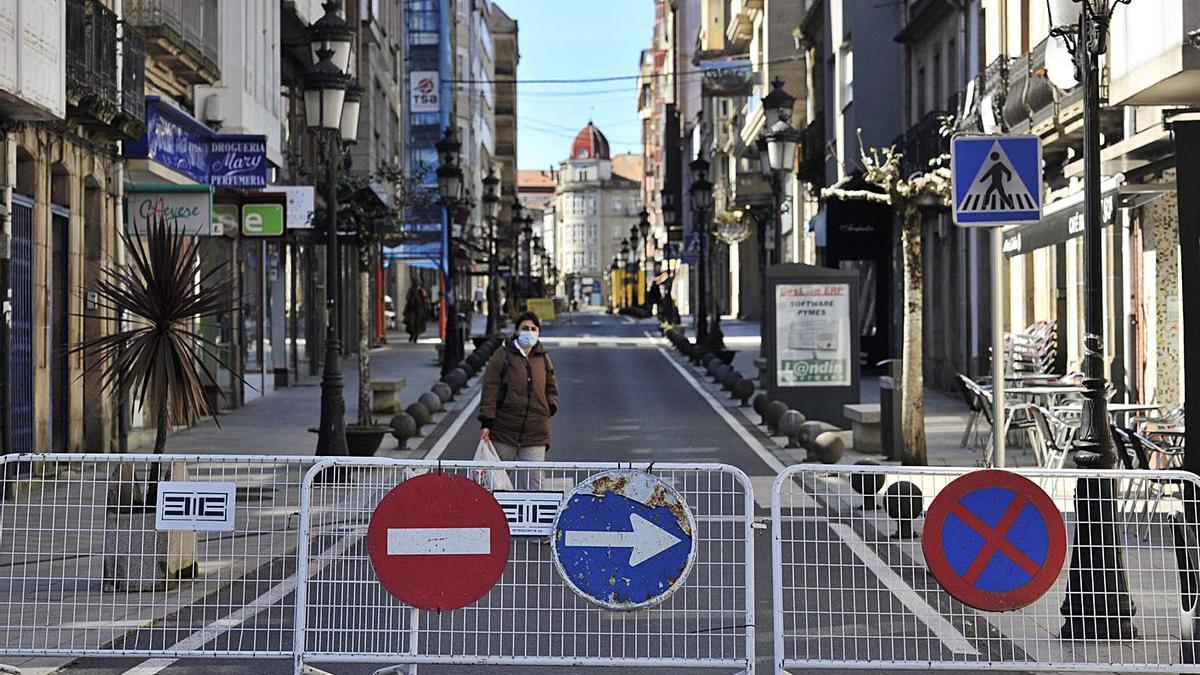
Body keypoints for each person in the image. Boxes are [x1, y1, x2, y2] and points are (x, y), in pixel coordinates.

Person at [479, 310, 558, 490]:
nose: (529, 332)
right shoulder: (503, 355)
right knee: (497, 485)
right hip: (504, 431)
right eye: (525, 328)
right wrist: (486, 422)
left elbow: (551, 387)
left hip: (535, 434)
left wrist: (549, 408)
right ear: (516, 331)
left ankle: (533, 519)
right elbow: (490, 388)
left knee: (534, 487)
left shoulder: (543, 358)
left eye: (533, 328)